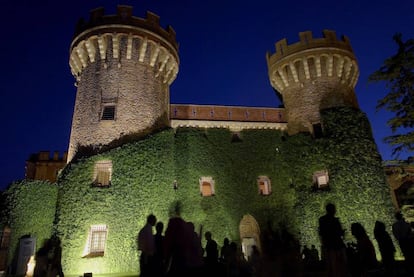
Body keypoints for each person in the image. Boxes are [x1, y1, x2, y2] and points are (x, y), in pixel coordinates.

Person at [318, 203, 347, 277]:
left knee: (332, 267)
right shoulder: (335, 220)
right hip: (336, 246)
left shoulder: (322, 220)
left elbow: (321, 233)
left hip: (329, 247)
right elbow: (339, 233)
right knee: (338, 267)